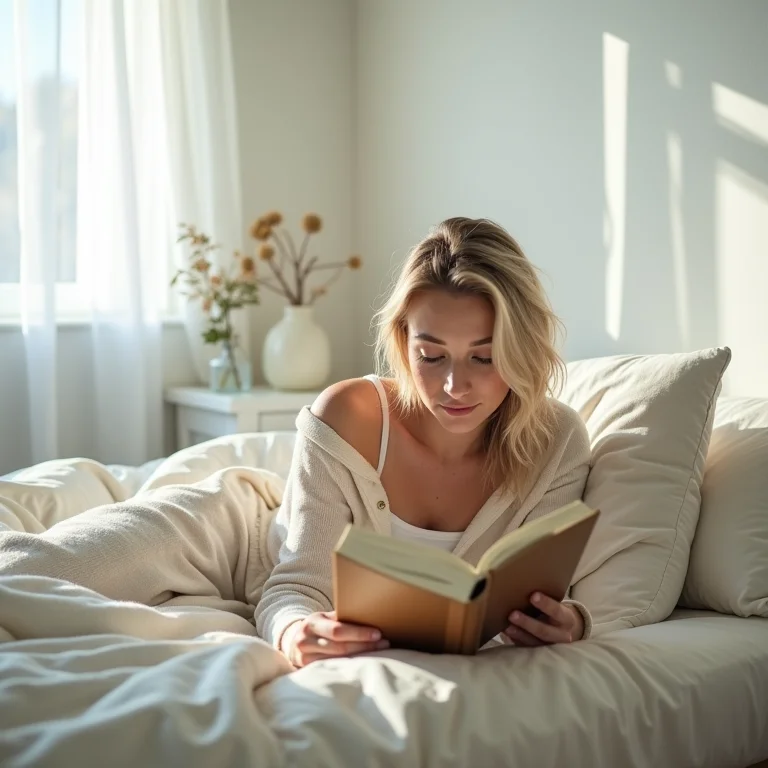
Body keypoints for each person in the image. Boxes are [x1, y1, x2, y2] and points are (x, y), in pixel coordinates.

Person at [253, 216, 593, 668]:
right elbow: (294, 586)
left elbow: (552, 598)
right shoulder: (347, 416)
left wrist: (570, 622)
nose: (455, 385)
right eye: (431, 356)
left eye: (484, 357)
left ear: (522, 349)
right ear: (403, 340)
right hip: (243, 531)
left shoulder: (557, 443)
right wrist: (294, 631)